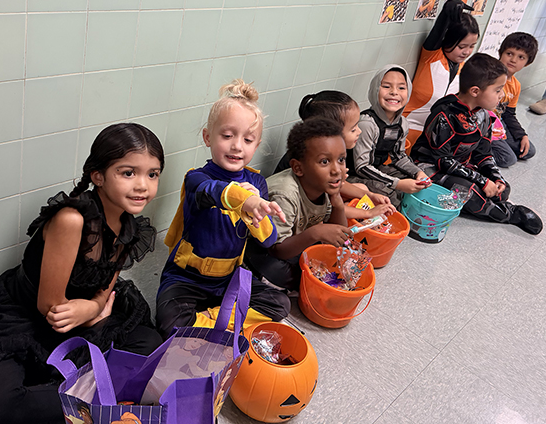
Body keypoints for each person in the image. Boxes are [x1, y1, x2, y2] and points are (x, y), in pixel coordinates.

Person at [0, 123, 166, 424]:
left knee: (150, 345)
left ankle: (73, 397)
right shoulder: (71, 220)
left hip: (80, 313)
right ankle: (94, 403)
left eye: (153, 174)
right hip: (26, 316)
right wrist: (91, 311)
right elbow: (52, 309)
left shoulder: (129, 226)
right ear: (98, 176)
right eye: (128, 173)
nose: (143, 186)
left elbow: (105, 290)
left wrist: (93, 306)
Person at [156, 80, 291, 337]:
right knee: (168, 322)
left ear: (256, 144)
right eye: (227, 136)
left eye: (248, 139)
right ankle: (229, 323)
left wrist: (256, 214)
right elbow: (213, 192)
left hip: (228, 278)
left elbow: (269, 240)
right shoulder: (196, 178)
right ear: (208, 137)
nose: (237, 146)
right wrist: (244, 200)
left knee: (281, 303)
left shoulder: (257, 182)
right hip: (187, 277)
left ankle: (212, 321)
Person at [411, 53, 543, 235]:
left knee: (502, 189)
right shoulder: (444, 114)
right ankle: (509, 214)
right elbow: (443, 161)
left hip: (461, 167)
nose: (502, 95)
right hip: (429, 167)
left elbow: (484, 154)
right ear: (475, 91)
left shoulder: (484, 115)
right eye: (497, 90)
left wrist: (495, 178)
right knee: (469, 192)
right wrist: (481, 180)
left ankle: (491, 201)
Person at [245, 117, 352, 291]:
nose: (336, 170)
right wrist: (315, 232)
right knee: (285, 273)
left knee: (325, 259)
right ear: (298, 168)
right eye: (325, 161)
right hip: (259, 248)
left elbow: (339, 237)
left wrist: (338, 203)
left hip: (291, 241)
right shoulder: (285, 194)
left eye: (341, 159)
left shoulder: (322, 185)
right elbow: (276, 249)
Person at [273, 90, 396, 219]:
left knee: (362, 188)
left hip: (319, 196)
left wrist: (369, 195)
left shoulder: (330, 153)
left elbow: (338, 185)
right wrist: (368, 213)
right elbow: (327, 207)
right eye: (353, 129)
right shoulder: (310, 160)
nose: (359, 131)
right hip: (302, 210)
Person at [349, 66, 431, 206]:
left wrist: (418, 174)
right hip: (353, 174)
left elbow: (398, 156)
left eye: (401, 88)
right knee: (388, 194)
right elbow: (362, 167)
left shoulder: (402, 124)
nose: (394, 92)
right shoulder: (367, 123)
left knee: (412, 181)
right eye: (386, 86)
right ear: (375, 90)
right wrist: (397, 184)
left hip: (376, 168)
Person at [404, 0, 479, 147]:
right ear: (447, 40)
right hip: (409, 130)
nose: (467, 52)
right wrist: (446, 12)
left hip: (437, 136)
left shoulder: (465, 69)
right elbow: (437, 32)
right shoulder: (432, 57)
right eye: (462, 46)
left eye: (472, 46)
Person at [491, 32, 538, 167]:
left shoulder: (516, 85)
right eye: (509, 54)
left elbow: (509, 114)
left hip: (499, 123)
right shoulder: (490, 74)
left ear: (528, 63)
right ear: (501, 52)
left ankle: (501, 144)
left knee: (529, 151)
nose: (513, 60)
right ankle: (477, 151)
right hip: (483, 124)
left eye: (521, 57)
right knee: (508, 159)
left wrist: (522, 135)